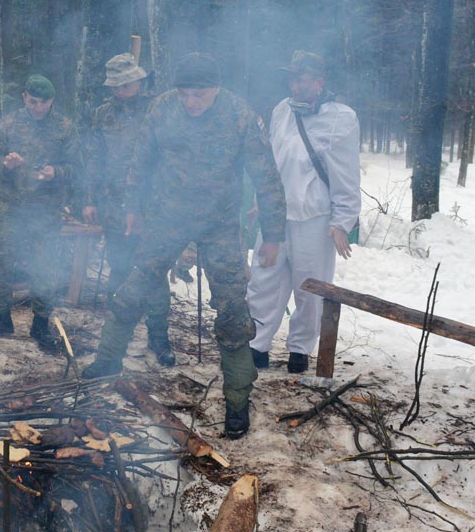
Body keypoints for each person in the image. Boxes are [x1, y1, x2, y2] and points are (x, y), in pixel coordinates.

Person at [81, 54, 286, 440]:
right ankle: (107, 359)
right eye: (185, 95)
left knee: (231, 309)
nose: (191, 103)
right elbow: (142, 162)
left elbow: (266, 176)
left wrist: (273, 234)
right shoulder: (162, 108)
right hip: (166, 215)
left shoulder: (241, 116)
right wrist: (134, 209)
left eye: (199, 96)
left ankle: (238, 401)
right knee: (136, 286)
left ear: (217, 89)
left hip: (220, 222)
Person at [244, 51, 360, 374]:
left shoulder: (341, 118)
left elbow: (346, 174)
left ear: (319, 82)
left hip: (314, 218)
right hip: (275, 214)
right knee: (264, 279)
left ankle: (299, 349)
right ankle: (257, 344)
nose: (294, 85)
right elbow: (270, 163)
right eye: (291, 78)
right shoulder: (282, 111)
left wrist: (341, 221)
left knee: (309, 287)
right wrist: (259, 201)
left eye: (301, 78)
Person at [82, 52, 175, 368]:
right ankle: (115, 343)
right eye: (116, 86)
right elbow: (94, 160)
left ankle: (159, 338)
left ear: (138, 80)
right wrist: (90, 199)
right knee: (119, 270)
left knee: (153, 273)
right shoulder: (102, 115)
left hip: (151, 206)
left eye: (127, 84)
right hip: (114, 206)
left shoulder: (158, 111)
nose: (121, 91)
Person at [0, 75, 82, 352]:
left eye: (43, 103)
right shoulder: (8, 124)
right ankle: (1, 319)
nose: (37, 108)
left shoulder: (64, 127)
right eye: (32, 101)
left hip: (46, 211)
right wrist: (6, 164)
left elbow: (76, 167)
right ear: (24, 97)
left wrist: (56, 172)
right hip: (11, 207)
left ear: (52, 101)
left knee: (45, 266)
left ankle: (41, 324)